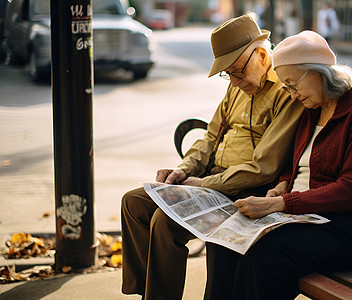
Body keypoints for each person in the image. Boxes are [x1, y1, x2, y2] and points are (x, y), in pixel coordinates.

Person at [121, 14, 305, 300]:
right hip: (211, 177)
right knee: (133, 202)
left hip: (246, 188)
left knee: (163, 222)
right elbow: (210, 136)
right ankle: (145, 292)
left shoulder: (286, 90)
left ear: (259, 55)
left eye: (237, 71)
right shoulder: (237, 87)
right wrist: (183, 170)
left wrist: (203, 185)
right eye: (227, 73)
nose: (233, 80)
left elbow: (263, 169)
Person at [203, 30, 352, 300]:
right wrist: (283, 184)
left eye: (292, 84)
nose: (290, 94)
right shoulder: (312, 110)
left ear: (319, 72)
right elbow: (296, 163)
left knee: (266, 251)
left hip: (347, 227)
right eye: (286, 87)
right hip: (303, 217)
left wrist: (283, 204)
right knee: (225, 239)